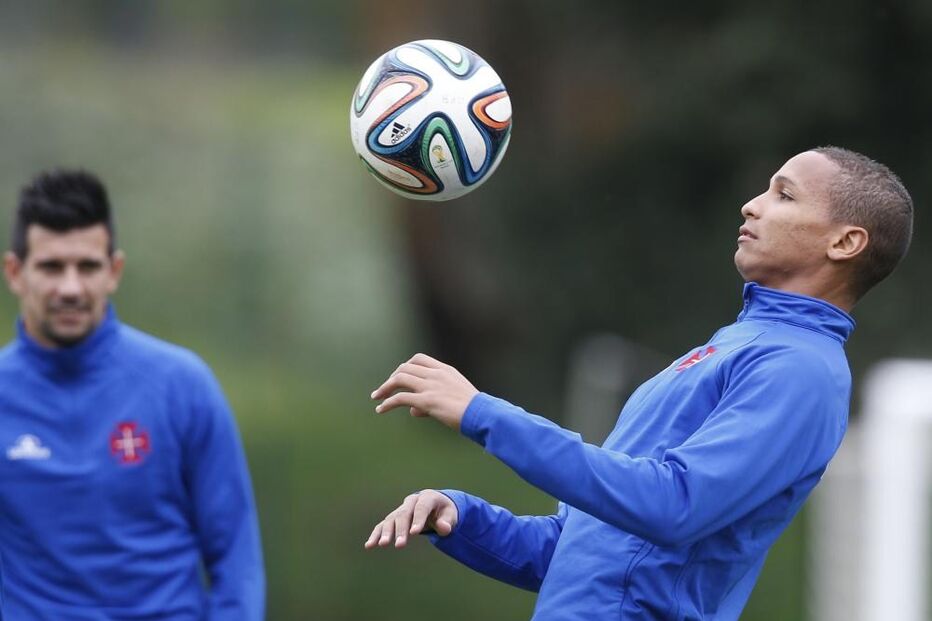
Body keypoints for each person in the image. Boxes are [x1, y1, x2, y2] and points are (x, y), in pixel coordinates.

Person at [366, 147, 914, 620]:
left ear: (845, 243)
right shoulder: (731, 347)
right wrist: (463, 518)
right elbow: (588, 551)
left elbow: (673, 507)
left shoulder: (799, 370)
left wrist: (483, 414)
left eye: (784, 196)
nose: (752, 204)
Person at [0, 170, 265, 620]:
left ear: (114, 271)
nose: (70, 288)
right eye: (51, 267)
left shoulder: (181, 385)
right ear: (15, 273)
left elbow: (236, 558)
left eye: (87, 266)